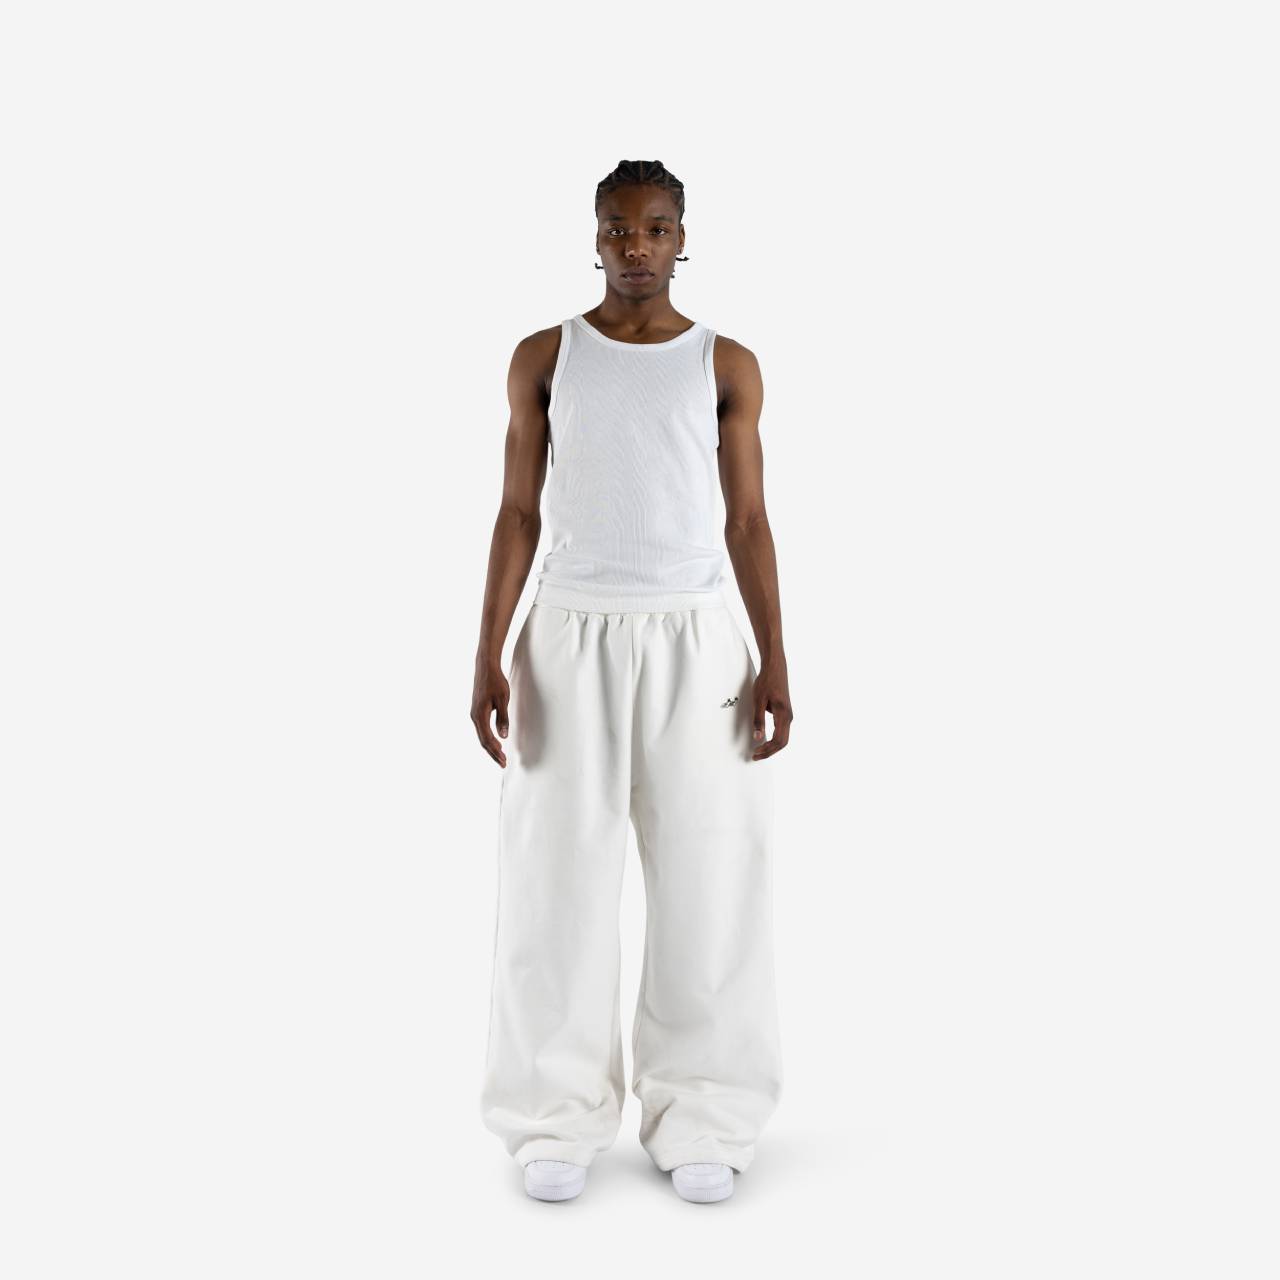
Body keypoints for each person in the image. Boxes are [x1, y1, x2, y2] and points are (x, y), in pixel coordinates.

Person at [472, 159, 793, 1204]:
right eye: (619, 228)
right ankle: (552, 1113)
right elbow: (518, 511)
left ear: (682, 238)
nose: (637, 246)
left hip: (695, 636)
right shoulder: (546, 356)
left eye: (657, 228)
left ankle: (703, 1107)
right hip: (568, 632)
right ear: (595, 236)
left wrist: (774, 656)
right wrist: (487, 649)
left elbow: (747, 519)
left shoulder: (724, 363)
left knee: (709, 874)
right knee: (555, 877)